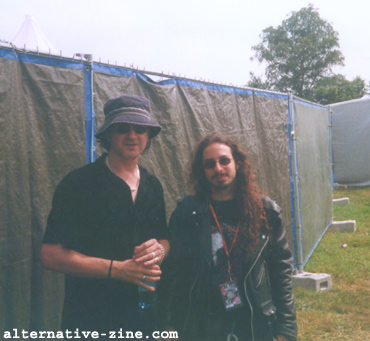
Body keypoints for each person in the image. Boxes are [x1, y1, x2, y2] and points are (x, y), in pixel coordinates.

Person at [41, 94, 170, 337]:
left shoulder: (153, 185)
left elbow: (164, 238)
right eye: (123, 128)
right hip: (91, 319)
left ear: (148, 135)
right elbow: (50, 255)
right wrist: (116, 269)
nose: (132, 135)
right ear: (108, 133)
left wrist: (160, 251)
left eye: (140, 128)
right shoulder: (78, 183)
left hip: (143, 319)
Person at [160, 132, 297, 341]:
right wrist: (168, 324)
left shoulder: (266, 213)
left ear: (237, 164)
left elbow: (281, 274)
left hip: (253, 322)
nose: (218, 168)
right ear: (202, 171)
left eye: (224, 160)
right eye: (210, 164)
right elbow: (172, 272)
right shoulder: (187, 213)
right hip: (201, 323)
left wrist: (285, 330)